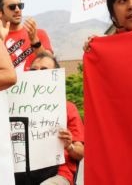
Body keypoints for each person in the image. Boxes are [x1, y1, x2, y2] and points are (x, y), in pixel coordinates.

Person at [25, 52, 84, 185]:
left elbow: (80, 153)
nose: (38, 73)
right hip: (24, 172)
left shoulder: (68, 108)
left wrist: (69, 146)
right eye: (33, 70)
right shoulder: (17, 107)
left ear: (55, 76)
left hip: (58, 173)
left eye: (44, 70)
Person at [0, 0, 53, 72]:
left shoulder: (39, 34)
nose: (17, 10)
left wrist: (35, 42)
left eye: (20, 6)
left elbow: (51, 67)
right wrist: (1, 40)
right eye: (12, 7)